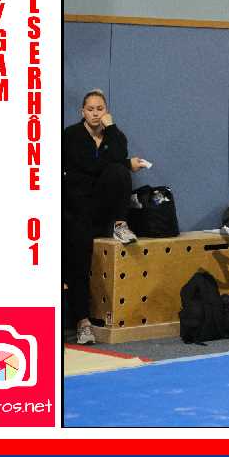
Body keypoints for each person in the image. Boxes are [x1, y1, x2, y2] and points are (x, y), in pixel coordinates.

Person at [62, 91, 151, 345]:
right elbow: (89, 166)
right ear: (82, 112)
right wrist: (126, 163)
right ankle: (83, 323)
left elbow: (117, 158)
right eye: (90, 109)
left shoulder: (114, 135)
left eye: (100, 108)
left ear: (106, 111)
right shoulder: (70, 135)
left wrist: (111, 130)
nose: (95, 113)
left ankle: (120, 225)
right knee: (78, 260)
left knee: (119, 172)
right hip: (76, 210)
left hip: (102, 210)